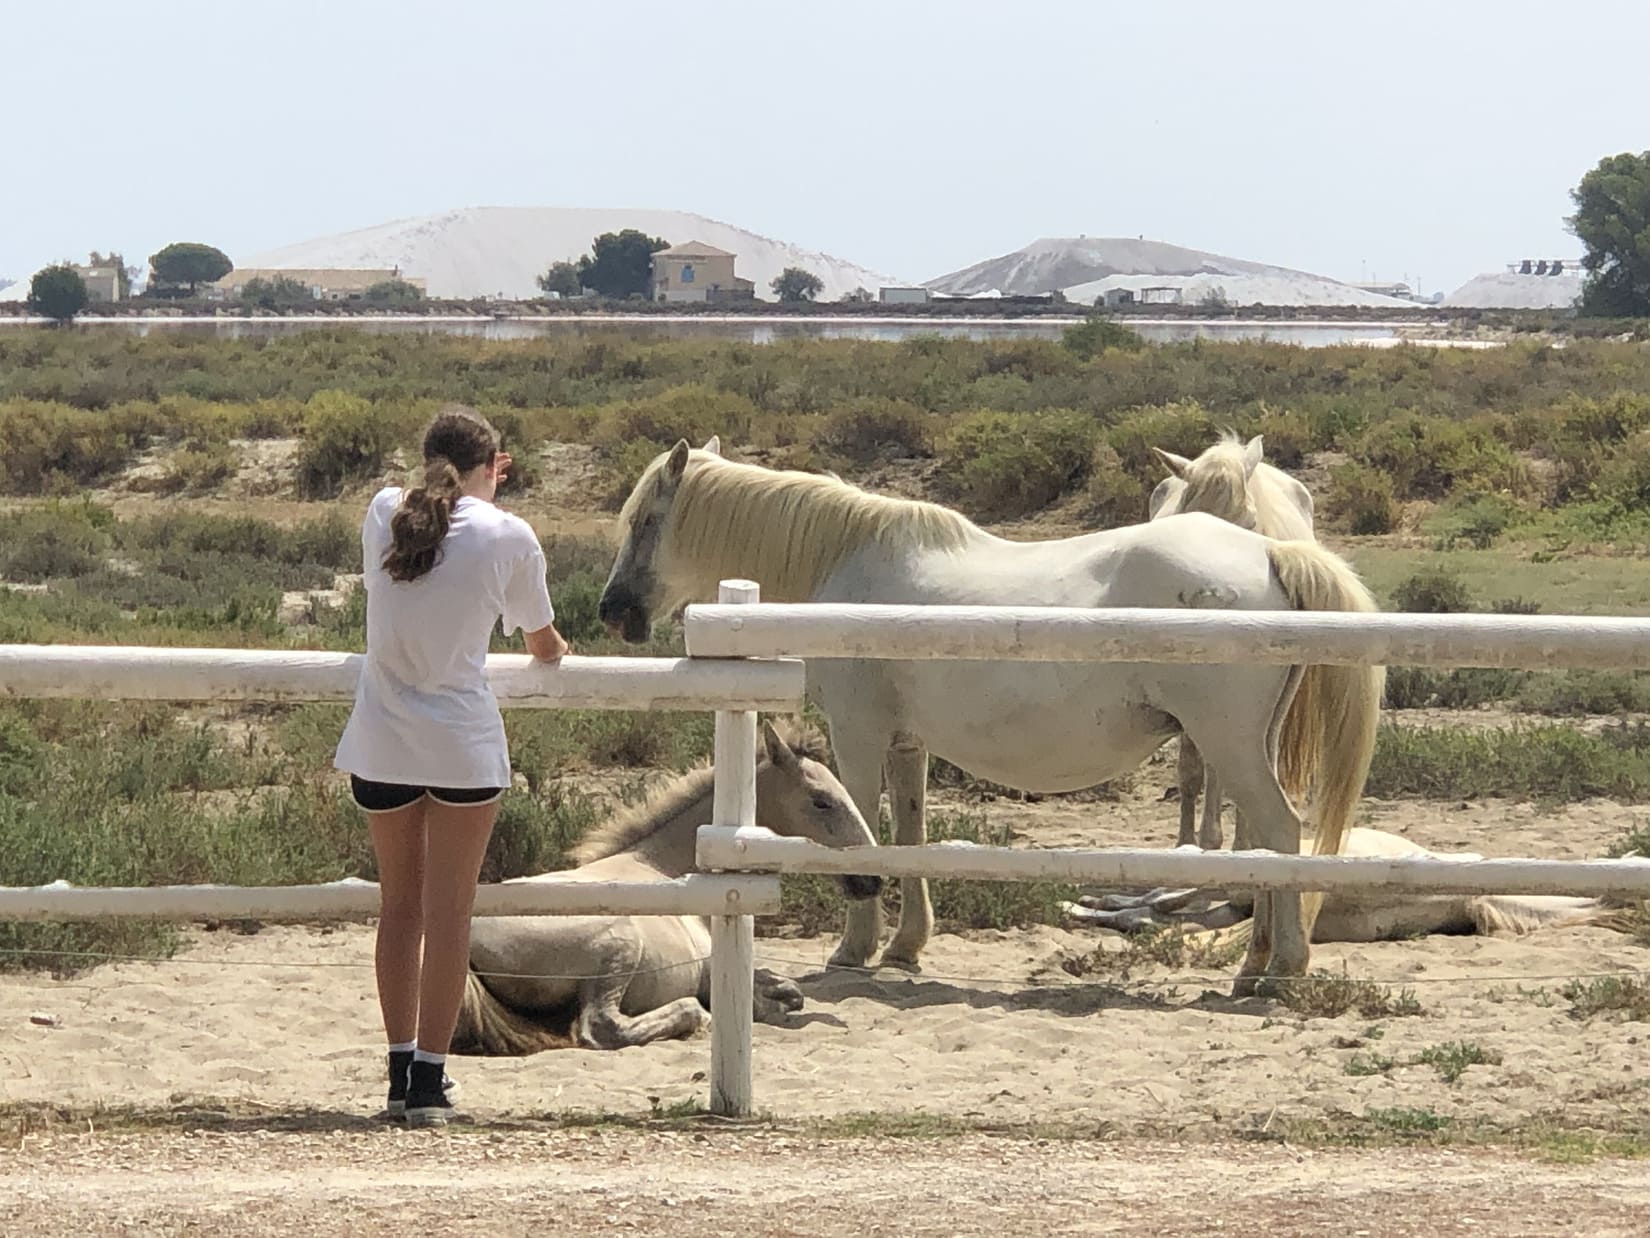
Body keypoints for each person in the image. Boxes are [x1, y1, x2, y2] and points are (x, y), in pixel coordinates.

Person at [334, 405, 569, 1127]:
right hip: (462, 745)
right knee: (450, 914)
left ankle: (401, 1066)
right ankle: (430, 1084)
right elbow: (542, 644)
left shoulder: (384, 512)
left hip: (381, 742)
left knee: (398, 910)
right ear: (493, 465)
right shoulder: (509, 534)